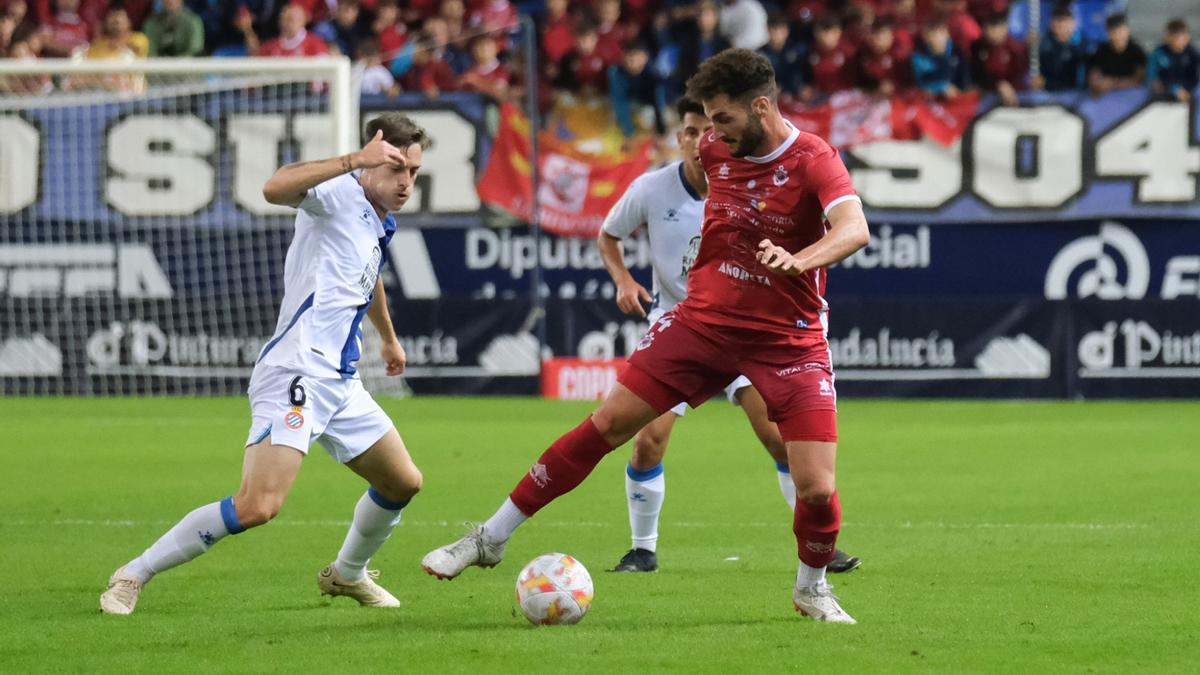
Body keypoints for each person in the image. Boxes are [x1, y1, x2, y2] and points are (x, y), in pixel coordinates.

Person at [422, 49, 870, 624]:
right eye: (705, 122)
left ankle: (811, 587)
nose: (711, 134)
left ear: (762, 106)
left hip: (788, 340)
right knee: (607, 426)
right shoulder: (713, 150)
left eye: (723, 119)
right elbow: (646, 210)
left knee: (815, 487)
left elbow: (854, 227)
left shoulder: (813, 159)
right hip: (701, 325)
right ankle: (490, 536)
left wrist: (798, 259)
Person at [99, 114, 431, 615]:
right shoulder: (336, 191)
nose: (406, 183)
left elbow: (370, 273)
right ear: (372, 158)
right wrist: (352, 161)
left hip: (339, 381)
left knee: (402, 482)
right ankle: (132, 574)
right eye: (397, 169)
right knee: (257, 506)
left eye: (414, 173)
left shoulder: (381, 217)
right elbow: (273, 187)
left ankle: (346, 575)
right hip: (296, 371)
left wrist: (388, 338)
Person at [598, 96, 862, 575]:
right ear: (678, 138)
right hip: (683, 325)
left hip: (749, 327)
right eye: (690, 131)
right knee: (647, 441)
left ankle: (819, 543)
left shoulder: (749, 182)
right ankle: (642, 548)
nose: (701, 141)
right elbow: (608, 233)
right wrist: (623, 279)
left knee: (780, 440)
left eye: (710, 130)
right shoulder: (652, 188)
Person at [969, 12, 1026, 106]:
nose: (992, 33)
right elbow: (977, 75)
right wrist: (997, 84)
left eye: (997, 28)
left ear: (1005, 28)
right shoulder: (977, 47)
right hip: (988, 93)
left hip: (1016, 95)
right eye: (988, 29)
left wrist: (1010, 87)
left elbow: (1021, 76)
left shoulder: (1016, 49)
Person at [1087, 13, 1146, 97]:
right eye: (1114, 31)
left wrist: (1113, 83)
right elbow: (1094, 73)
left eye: (1121, 30)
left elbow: (1138, 80)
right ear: (1108, 33)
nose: (1118, 34)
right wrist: (1096, 83)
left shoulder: (1136, 51)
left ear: (1127, 30)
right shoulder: (1101, 50)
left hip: (1131, 94)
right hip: (1106, 94)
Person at [912, 20, 970, 98]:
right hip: (934, 97)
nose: (937, 38)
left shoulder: (957, 51)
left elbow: (964, 75)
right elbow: (922, 82)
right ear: (926, 37)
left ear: (947, 35)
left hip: (959, 95)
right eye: (933, 35)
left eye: (941, 34)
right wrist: (942, 87)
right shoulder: (919, 56)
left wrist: (962, 89)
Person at [1034, 5, 1085, 92]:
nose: (1061, 25)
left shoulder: (1083, 45)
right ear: (1051, 24)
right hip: (1048, 94)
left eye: (1065, 20)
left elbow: (1078, 80)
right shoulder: (1042, 45)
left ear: (1073, 23)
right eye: (1058, 20)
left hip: (1076, 93)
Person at [1148, 18, 1199, 103]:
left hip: (1187, 92)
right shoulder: (1158, 53)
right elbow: (1151, 76)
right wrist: (1174, 89)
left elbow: (1195, 77)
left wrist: (1186, 91)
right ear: (1168, 37)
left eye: (1185, 36)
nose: (1183, 40)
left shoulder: (1193, 54)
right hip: (1165, 93)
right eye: (1178, 37)